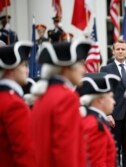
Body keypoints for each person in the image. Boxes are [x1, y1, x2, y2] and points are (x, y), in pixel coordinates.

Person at [30, 39, 91, 167]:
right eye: (79, 64)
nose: (83, 70)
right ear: (66, 68)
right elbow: (66, 150)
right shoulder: (67, 98)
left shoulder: (43, 96)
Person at [100, 39, 126, 167]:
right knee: (114, 150)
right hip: (114, 116)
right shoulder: (105, 69)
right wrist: (107, 113)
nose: (121, 51)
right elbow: (103, 92)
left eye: (123, 49)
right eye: (118, 49)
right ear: (113, 51)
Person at [0, 41, 35, 166]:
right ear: (11, 69)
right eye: (24, 65)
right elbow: (25, 153)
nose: (27, 70)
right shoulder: (14, 104)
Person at [76, 73, 120, 167]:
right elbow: (97, 163)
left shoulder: (93, 120)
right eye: (111, 97)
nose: (114, 101)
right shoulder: (95, 125)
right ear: (100, 100)